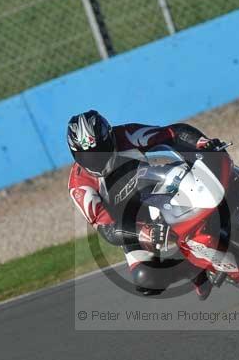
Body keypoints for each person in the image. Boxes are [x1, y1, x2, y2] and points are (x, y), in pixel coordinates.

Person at [67, 109, 224, 300]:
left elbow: (173, 133)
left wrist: (201, 143)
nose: (96, 159)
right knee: (146, 280)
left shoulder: (127, 135)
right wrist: (142, 232)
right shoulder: (79, 187)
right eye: (87, 156)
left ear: (110, 138)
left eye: (101, 149)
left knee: (209, 171)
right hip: (133, 224)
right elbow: (107, 230)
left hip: (162, 190)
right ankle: (195, 271)